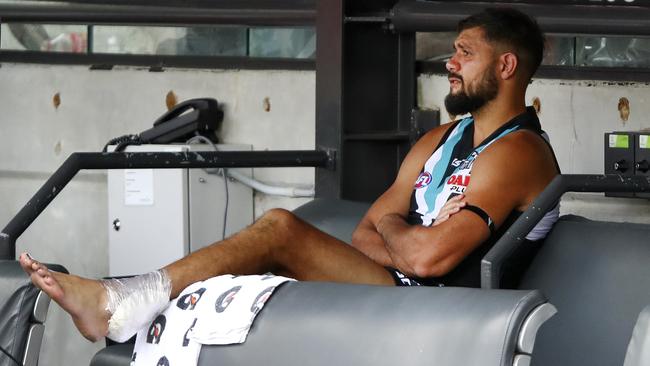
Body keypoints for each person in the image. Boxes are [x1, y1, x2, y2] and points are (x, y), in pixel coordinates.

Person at [19, 7, 559, 343]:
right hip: (399, 285)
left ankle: (120, 301)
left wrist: (398, 236)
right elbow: (364, 233)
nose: (450, 62)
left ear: (506, 67)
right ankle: (123, 303)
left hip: (446, 309)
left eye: (465, 53)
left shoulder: (521, 152)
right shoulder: (437, 140)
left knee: (279, 229)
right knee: (262, 262)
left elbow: (427, 258)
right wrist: (402, 238)